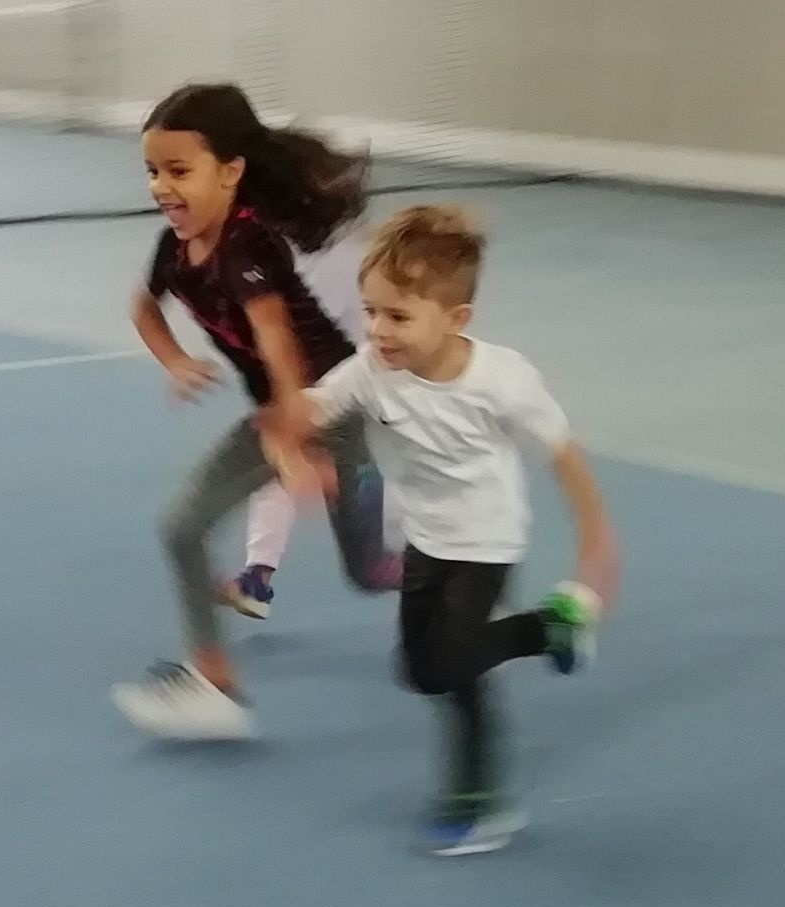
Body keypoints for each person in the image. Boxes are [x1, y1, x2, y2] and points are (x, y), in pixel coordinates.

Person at [261, 203, 619, 854]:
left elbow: (563, 451)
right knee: (424, 671)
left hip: (487, 542)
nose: (378, 330)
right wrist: (289, 437)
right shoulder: (371, 371)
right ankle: (550, 632)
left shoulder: (501, 381)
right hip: (425, 540)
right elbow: (311, 409)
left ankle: (480, 799)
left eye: (397, 316)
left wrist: (596, 536)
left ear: (457, 318)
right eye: (371, 312)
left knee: (454, 666)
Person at [112, 83, 398, 741]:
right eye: (153, 171)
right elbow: (144, 309)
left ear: (230, 171)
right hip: (282, 411)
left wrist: (295, 441)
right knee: (182, 527)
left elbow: (277, 343)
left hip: (328, 406)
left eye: (179, 170)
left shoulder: (247, 248)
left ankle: (457, 578)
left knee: (372, 570)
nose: (161, 187)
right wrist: (176, 362)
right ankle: (214, 683)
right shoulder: (173, 248)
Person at [219, 223, 405, 619]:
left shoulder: (341, 266)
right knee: (275, 469)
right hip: (322, 399)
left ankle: (459, 577)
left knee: (374, 562)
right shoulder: (280, 262)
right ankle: (257, 578)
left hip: (361, 409)